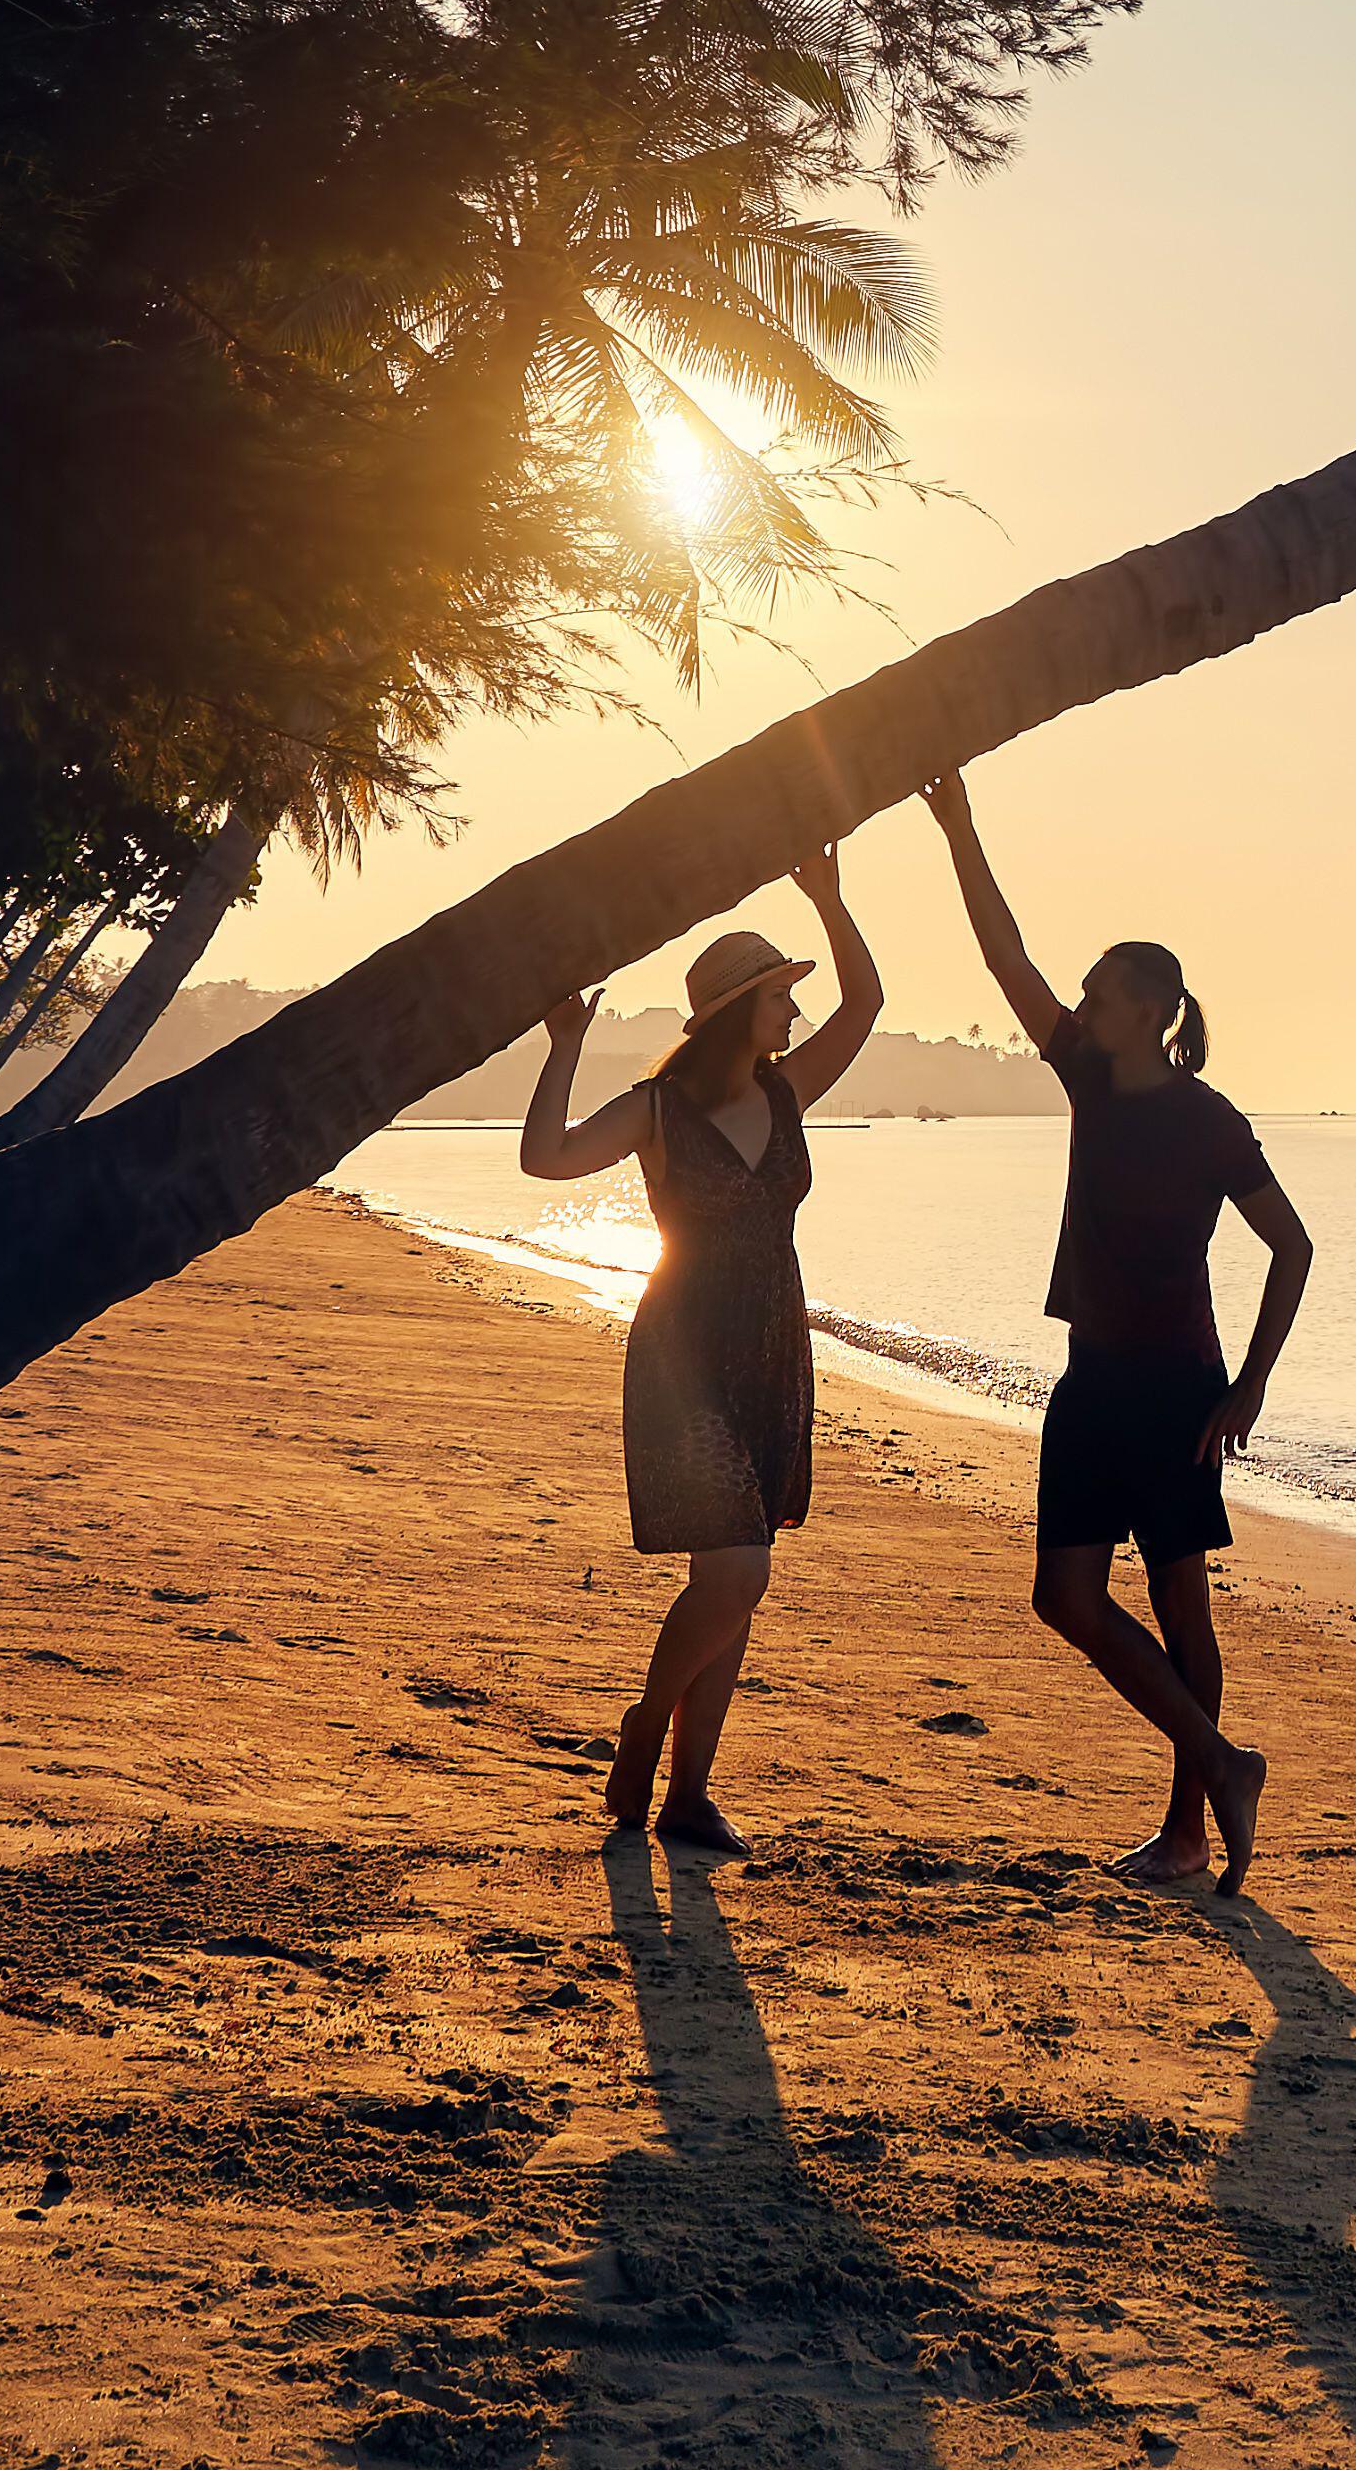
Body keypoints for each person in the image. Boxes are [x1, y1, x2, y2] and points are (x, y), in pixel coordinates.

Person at [922, 768, 1308, 1889]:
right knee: (1067, 1597)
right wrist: (960, 826)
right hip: (1093, 1379)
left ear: (1150, 1007)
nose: (1081, 1005)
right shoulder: (1090, 1081)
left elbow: (1294, 1247)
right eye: (1083, 994)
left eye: (1100, 994)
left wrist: (1251, 1387)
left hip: (1179, 1387)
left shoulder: (1208, 1120)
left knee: (1180, 1599)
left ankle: (1191, 1828)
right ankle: (1224, 1765)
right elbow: (1006, 958)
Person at [518, 838, 885, 1858]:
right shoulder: (657, 1109)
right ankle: (646, 1723)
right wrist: (562, 1045)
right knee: (736, 1573)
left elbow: (866, 1005)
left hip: (772, 1356)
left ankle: (689, 1795)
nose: (795, 1015)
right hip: (682, 1358)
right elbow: (543, 1156)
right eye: (779, 998)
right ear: (740, 1008)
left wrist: (833, 901)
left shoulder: (785, 1092)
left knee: (736, 1574)